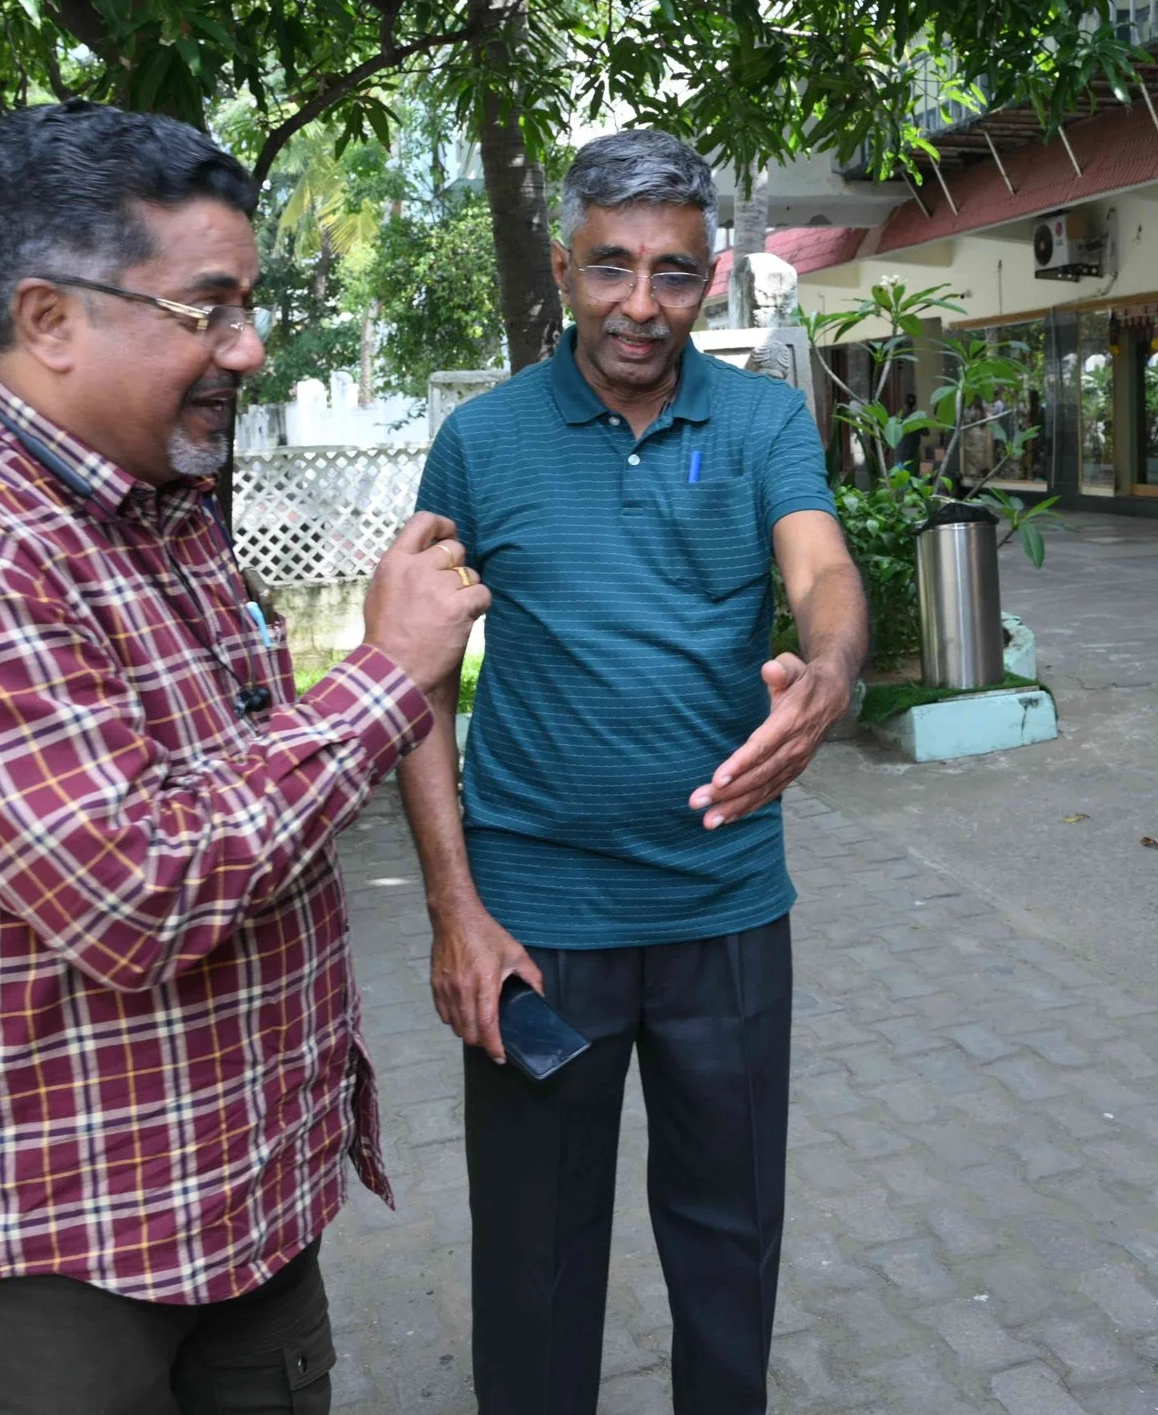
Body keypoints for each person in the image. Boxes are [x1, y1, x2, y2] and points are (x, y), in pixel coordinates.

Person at [0, 100, 489, 1415]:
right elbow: (134, 889)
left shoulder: (156, 506)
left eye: (248, 305)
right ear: (50, 318)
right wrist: (387, 673)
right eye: (208, 309)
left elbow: (236, 789)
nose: (250, 346)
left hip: (238, 1187)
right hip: (62, 1241)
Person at [400, 128, 869, 1415]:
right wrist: (453, 907)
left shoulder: (763, 419)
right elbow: (417, 682)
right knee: (533, 1256)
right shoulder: (480, 441)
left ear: (709, 276)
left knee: (731, 1237)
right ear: (564, 268)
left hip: (725, 906)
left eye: (671, 272)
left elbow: (822, 567)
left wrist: (830, 669)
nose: (640, 303)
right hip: (537, 922)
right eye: (611, 266)